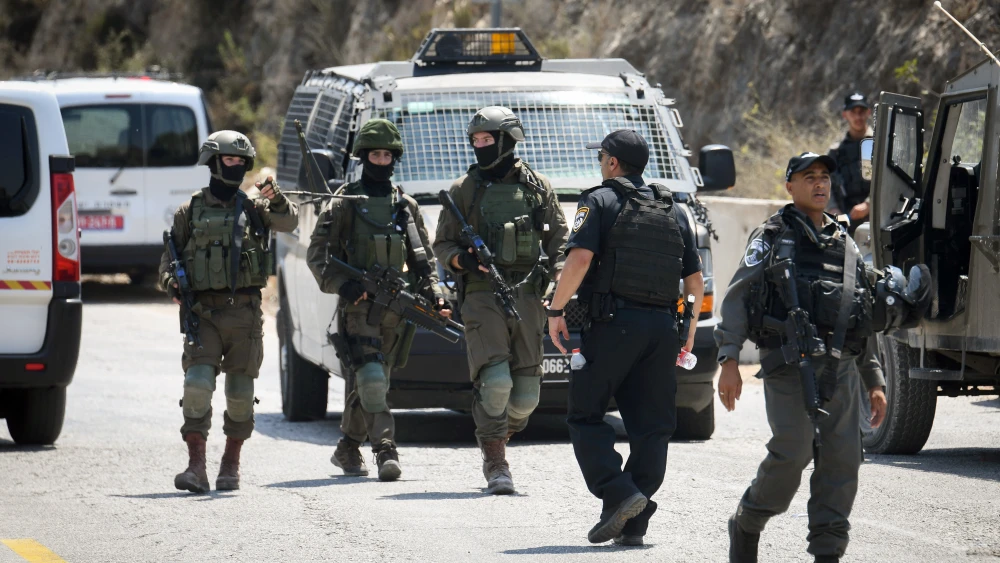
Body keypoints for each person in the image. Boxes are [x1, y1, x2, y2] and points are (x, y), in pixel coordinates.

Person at [715, 152, 888, 562]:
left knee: (842, 462)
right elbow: (737, 296)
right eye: (809, 177)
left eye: (825, 177)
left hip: (842, 368)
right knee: (792, 452)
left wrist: (874, 380)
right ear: (790, 186)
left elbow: (859, 313)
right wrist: (728, 361)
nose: (819, 184)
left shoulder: (844, 242)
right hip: (788, 364)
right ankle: (748, 520)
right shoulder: (772, 235)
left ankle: (827, 552)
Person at [547, 129, 704, 545]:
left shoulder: (598, 199)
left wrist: (556, 309)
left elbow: (580, 259)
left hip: (613, 325)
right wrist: (686, 332)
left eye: (601, 156)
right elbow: (694, 282)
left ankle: (620, 493)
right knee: (651, 427)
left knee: (585, 414)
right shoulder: (673, 208)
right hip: (662, 330)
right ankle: (633, 521)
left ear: (613, 162)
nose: (600, 162)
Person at [433, 106, 568, 495]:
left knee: (526, 395)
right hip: (480, 294)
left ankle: (499, 434)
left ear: (507, 140)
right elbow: (442, 244)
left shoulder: (538, 186)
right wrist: (463, 260)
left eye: (487, 140)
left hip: (527, 294)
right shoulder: (464, 189)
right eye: (475, 140)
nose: (480, 147)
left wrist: (559, 278)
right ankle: (495, 462)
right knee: (495, 382)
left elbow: (560, 240)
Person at [307, 118, 448, 482]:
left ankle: (347, 447)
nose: (381, 161)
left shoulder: (406, 205)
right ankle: (386, 449)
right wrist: (344, 286)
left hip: (395, 309)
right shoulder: (344, 204)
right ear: (363, 157)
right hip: (358, 309)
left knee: (374, 382)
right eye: (375, 154)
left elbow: (423, 259)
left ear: (394, 159)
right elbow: (318, 256)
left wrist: (434, 293)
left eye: (387, 155)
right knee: (370, 378)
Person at [161, 130, 298, 493]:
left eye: (241, 161)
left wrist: (275, 196)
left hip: (245, 315)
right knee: (196, 385)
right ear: (214, 162)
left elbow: (289, 222)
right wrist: (171, 283)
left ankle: (231, 461)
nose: (235, 165)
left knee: (239, 395)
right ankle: (195, 466)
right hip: (203, 314)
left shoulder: (254, 208)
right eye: (229, 159)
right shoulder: (189, 211)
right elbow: (168, 259)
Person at [827, 91, 874, 234]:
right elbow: (827, 183)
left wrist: (868, 204)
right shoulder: (836, 151)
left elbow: (888, 181)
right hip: (846, 221)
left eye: (862, 111)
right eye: (853, 112)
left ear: (868, 113)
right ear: (845, 115)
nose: (858, 117)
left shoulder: (880, 145)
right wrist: (834, 209)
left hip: (875, 218)